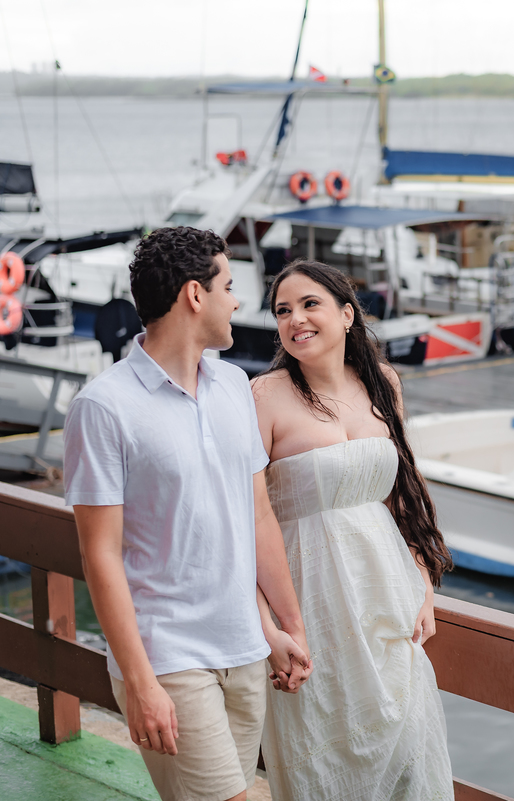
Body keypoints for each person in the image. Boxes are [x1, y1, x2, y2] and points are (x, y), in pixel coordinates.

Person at [64, 227, 313, 801]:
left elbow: (256, 518)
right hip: (169, 656)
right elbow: (100, 555)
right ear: (195, 296)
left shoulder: (232, 384)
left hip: (247, 652)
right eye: (228, 286)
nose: (237, 301)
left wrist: (283, 627)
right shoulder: (103, 407)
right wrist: (141, 683)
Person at [251, 260, 454, 799]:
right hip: (308, 603)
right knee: (321, 756)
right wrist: (267, 625)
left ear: (346, 314)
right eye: (283, 310)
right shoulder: (264, 395)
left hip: (388, 596)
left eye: (309, 304)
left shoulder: (384, 383)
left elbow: (403, 491)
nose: (295, 319)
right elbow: (243, 519)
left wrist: (422, 582)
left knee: (408, 743)